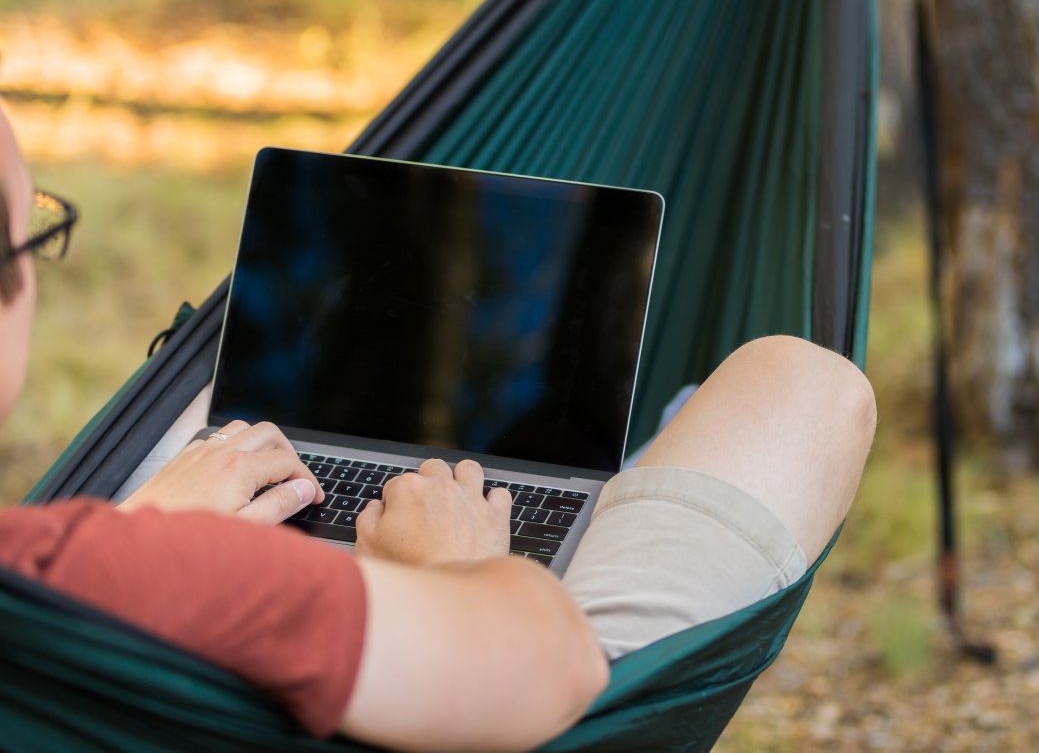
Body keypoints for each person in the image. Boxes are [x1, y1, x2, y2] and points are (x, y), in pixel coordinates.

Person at [0, 103, 876, 752]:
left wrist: (141, 525)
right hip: (520, 694)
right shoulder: (94, 572)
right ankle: (641, 469)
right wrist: (457, 563)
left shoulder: (60, 566)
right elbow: (547, 667)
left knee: (215, 408)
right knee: (802, 386)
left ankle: (640, 468)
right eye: (34, 234)